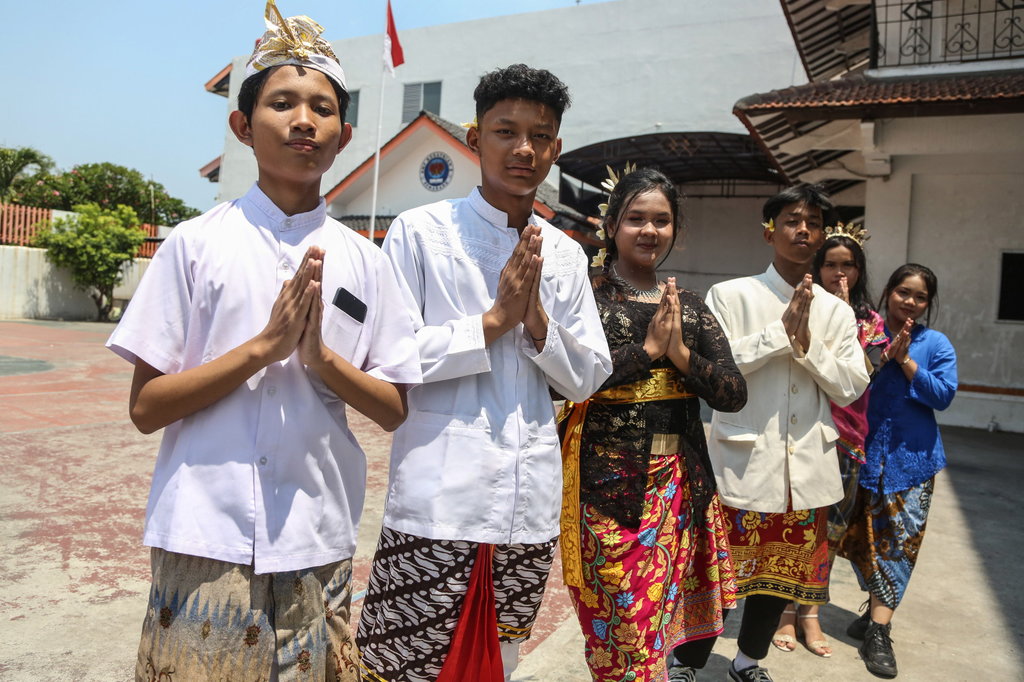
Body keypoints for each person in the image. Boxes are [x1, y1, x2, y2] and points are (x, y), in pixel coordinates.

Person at [105, 3, 422, 680]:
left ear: (344, 135)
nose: (304, 121)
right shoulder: (194, 245)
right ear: (243, 127)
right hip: (203, 535)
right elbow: (146, 408)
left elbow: (394, 408)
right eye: (282, 104)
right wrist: (262, 348)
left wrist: (320, 359)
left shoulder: (366, 262)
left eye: (322, 109)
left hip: (317, 537)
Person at [355, 63, 612, 682]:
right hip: (438, 495)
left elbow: (588, 377)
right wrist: (493, 322)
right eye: (505, 131)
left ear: (555, 148)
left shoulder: (566, 253)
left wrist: (538, 324)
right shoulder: (421, 232)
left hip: (529, 499)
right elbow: (391, 357)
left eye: (540, 136)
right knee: (403, 665)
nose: (523, 149)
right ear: (475, 138)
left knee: (502, 659)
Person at [558, 167, 744, 682]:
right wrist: (646, 351)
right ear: (611, 225)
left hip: (679, 489)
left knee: (654, 630)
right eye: (635, 218)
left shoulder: (690, 306)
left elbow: (733, 394)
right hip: (605, 490)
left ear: (675, 230)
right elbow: (561, 381)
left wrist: (680, 354)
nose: (649, 230)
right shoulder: (586, 298)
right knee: (624, 627)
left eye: (661, 220)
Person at [703, 185, 870, 682]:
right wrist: (779, 336)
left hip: (805, 472)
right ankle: (687, 662)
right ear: (768, 232)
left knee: (778, 580)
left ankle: (748, 661)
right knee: (714, 574)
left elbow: (850, 386)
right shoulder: (731, 295)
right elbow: (714, 368)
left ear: (822, 236)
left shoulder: (838, 312)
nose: (803, 230)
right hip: (742, 463)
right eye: (793, 220)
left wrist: (807, 347)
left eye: (813, 223)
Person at [771, 227, 887, 658]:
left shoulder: (870, 321)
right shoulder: (802, 306)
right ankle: (783, 612)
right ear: (817, 267)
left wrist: (846, 318)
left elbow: (863, 376)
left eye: (848, 265)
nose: (840, 272)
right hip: (804, 429)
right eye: (831, 264)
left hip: (849, 434)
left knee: (829, 530)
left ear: (859, 270)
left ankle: (810, 613)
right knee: (794, 523)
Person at [840, 263, 957, 679]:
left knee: (899, 548)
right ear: (889, 291)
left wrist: (906, 361)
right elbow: (842, 382)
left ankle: (879, 632)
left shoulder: (936, 343)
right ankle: (875, 609)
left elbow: (943, 396)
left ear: (928, 304)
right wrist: (880, 355)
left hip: (914, 463)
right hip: (863, 456)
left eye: (920, 297)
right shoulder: (864, 335)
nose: (910, 302)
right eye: (903, 292)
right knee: (858, 542)